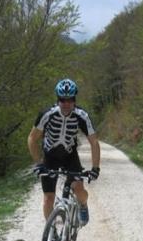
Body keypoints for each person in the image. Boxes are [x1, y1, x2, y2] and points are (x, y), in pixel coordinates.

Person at [27, 78, 101, 227]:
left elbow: (94, 142)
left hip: (69, 156)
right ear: (57, 99)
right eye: (62, 100)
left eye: (70, 100)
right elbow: (32, 138)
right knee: (49, 197)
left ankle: (83, 205)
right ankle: (52, 232)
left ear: (75, 99)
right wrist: (39, 163)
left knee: (79, 190)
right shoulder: (47, 114)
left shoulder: (82, 116)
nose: (66, 104)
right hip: (50, 156)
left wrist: (95, 168)